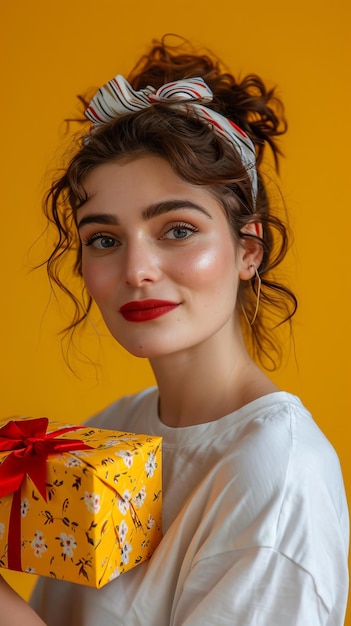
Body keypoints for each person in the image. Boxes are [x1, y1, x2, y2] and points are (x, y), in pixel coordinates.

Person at [0, 36, 348, 625]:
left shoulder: (276, 476)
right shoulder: (116, 427)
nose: (136, 270)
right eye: (104, 240)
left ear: (248, 249)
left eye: (178, 229)